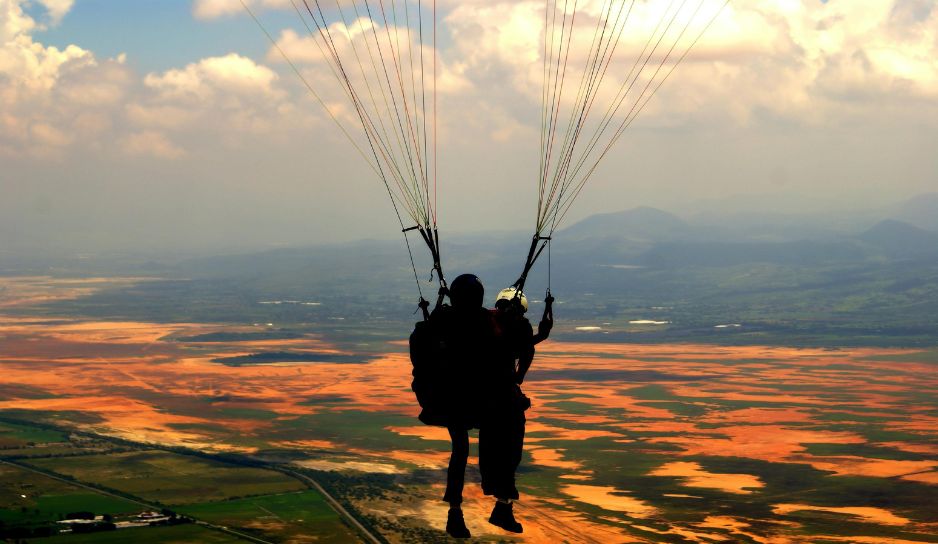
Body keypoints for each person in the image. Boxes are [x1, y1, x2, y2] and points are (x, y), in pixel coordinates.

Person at [428, 273, 499, 538]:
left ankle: (455, 510)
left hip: (452, 398)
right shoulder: (485, 320)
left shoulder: (444, 318)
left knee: (460, 450)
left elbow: (430, 331)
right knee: (493, 441)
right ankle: (501, 499)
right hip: (478, 397)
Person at [480, 287, 553, 534]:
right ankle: (502, 508)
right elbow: (529, 347)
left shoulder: (483, 325)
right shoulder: (514, 333)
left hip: (483, 402)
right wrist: (547, 311)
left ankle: (501, 505)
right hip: (502, 402)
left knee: (492, 451)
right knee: (510, 452)